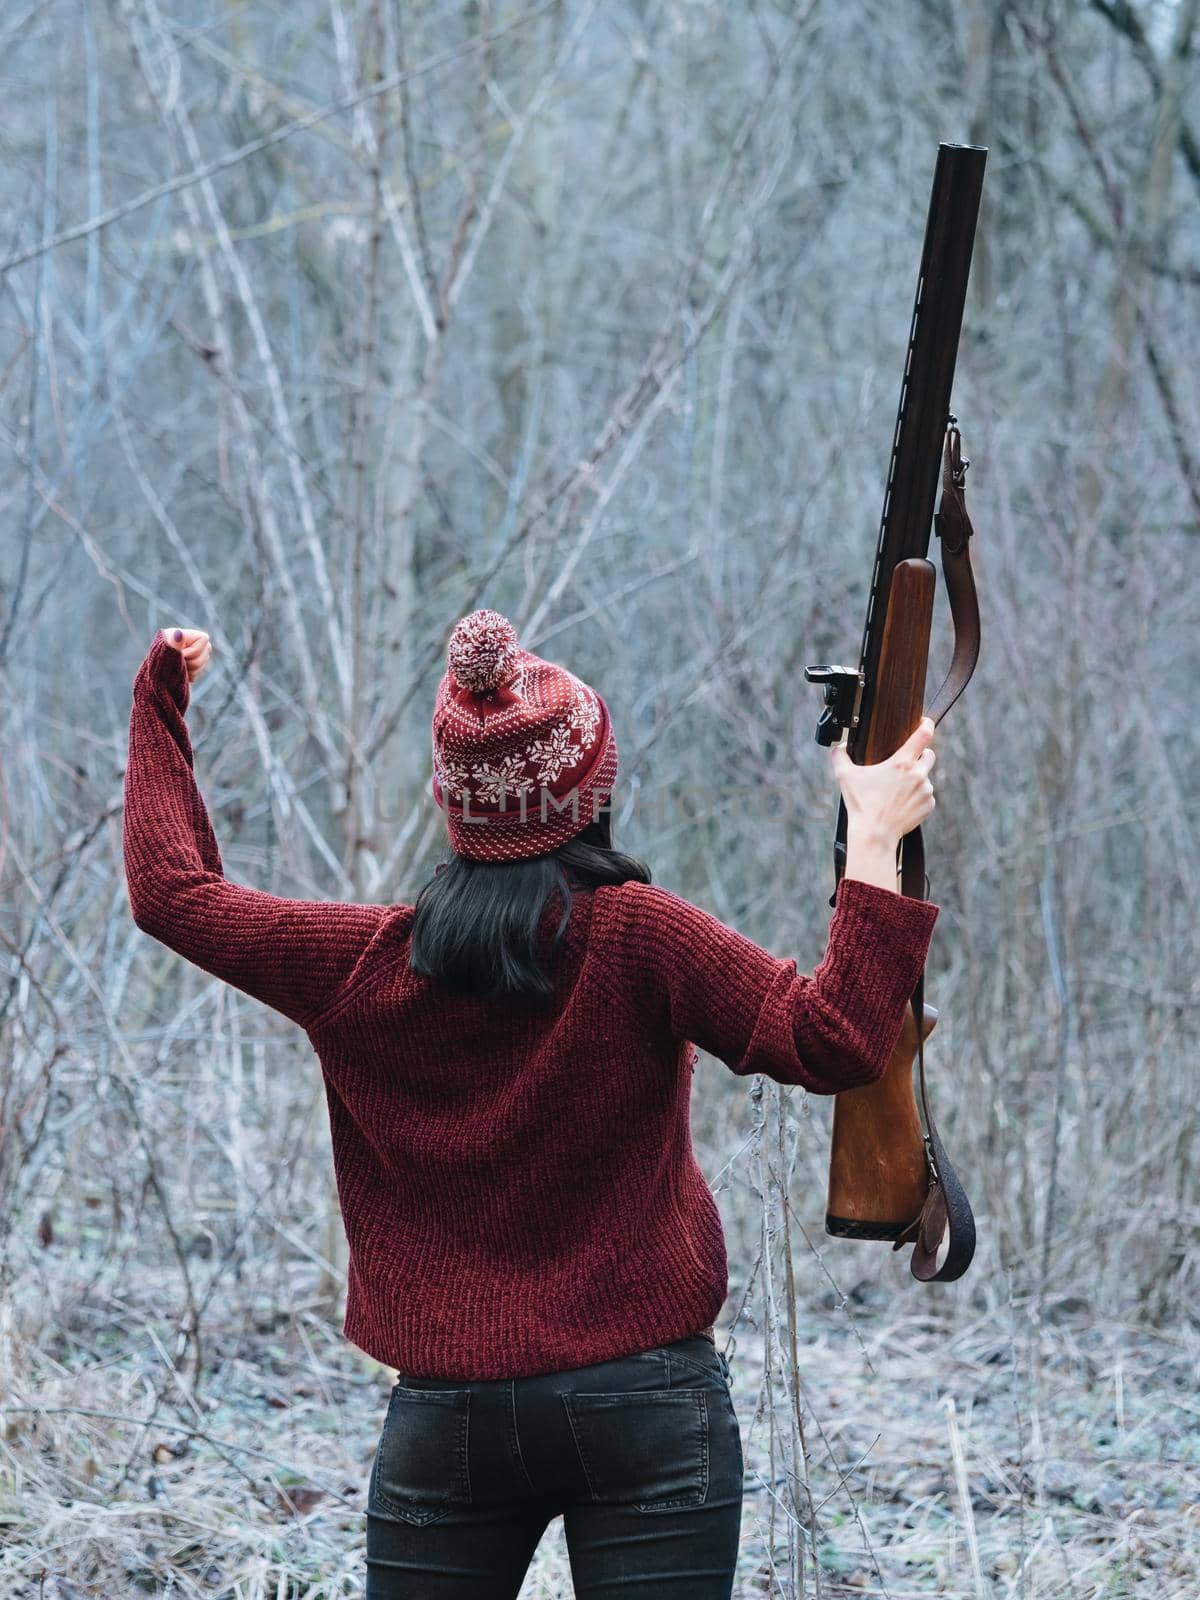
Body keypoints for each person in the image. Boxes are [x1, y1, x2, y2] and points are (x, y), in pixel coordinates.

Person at [123, 609, 940, 1599]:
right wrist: (878, 837)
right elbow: (836, 1038)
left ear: (453, 802)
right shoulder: (641, 937)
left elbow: (173, 892)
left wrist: (161, 695)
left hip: (449, 1422)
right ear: (593, 790)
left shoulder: (362, 966)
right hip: (649, 1402)